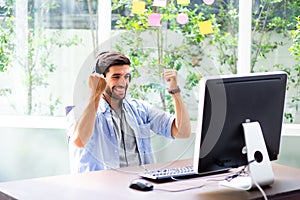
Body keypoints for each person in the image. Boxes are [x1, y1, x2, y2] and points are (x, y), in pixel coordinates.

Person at [67, 51, 191, 173]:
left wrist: (175, 91)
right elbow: (79, 141)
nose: (123, 83)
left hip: (139, 184)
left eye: (126, 77)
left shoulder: (140, 109)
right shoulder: (83, 111)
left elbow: (182, 132)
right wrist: (95, 93)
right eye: (116, 77)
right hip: (102, 188)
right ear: (101, 79)